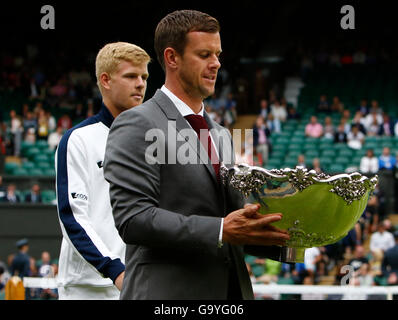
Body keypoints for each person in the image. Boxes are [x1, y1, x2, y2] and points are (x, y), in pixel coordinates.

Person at [103, 10, 290, 300]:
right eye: (204, 54)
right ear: (172, 58)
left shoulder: (221, 135)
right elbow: (133, 218)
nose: (216, 63)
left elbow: (232, 222)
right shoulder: (137, 123)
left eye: (217, 54)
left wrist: (295, 234)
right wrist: (219, 230)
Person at [55, 42, 151, 300]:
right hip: (87, 288)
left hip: (141, 284)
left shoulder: (154, 142)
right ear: (106, 81)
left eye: (144, 77)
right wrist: (115, 270)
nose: (141, 84)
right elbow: (73, 218)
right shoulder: (78, 139)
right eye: (131, 76)